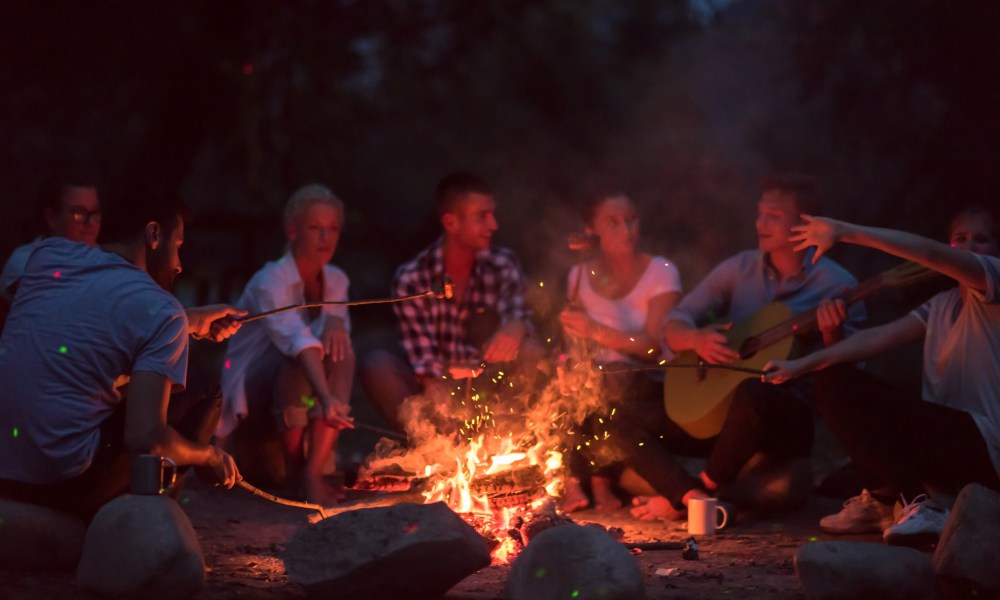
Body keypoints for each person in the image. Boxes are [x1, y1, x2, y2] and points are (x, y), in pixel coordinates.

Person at [619, 173, 864, 520]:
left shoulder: (838, 285)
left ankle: (695, 496)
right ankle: (686, 494)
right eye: (760, 213)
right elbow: (674, 321)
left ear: (806, 224)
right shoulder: (740, 268)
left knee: (757, 389)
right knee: (619, 404)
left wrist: (831, 334)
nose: (760, 223)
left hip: (782, 421)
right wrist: (695, 338)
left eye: (774, 216)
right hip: (718, 414)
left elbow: (846, 380)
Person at [0, 189, 243, 519]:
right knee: (203, 389)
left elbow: (94, 318)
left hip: (7, 470)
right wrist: (208, 455)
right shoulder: (161, 310)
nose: (179, 265)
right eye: (179, 247)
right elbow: (146, 437)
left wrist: (188, 319)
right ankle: (151, 525)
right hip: (62, 479)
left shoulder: (48, 256)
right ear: (154, 234)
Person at [764, 206, 1000, 546]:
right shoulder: (941, 304)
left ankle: (921, 506)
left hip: (985, 450)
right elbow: (877, 338)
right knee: (832, 378)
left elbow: (928, 252)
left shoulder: (994, 283)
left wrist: (844, 230)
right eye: (960, 238)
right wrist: (803, 364)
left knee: (853, 392)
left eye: (982, 239)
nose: (970, 247)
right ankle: (884, 500)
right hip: (946, 446)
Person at [360, 171, 539, 435]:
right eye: (482, 216)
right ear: (451, 223)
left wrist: (516, 325)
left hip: (490, 388)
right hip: (437, 387)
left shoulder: (502, 264)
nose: (493, 225)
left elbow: (520, 313)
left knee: (531, 349)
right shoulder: (413, 277)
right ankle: (431, 449)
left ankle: (507, 438)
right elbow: (424, 363)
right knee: (376, 365)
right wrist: (440, 403)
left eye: (492, 214)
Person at [218, 184, 355, 506]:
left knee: (342, 349)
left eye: (333, 229)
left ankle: (314, 470)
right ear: (293, 230)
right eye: (315, 228)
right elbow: (298, 342)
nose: (326, 238)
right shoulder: (271, 279)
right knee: (297, 360)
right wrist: (324, 396)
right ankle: (300, 474)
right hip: (253, 391)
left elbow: (333, 346)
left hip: (303, 385)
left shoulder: (336, 280)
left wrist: (336, 320)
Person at [558, 191, 681, 513]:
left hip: (647, 379)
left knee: (605, 379)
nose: (626, 230)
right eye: (613, 222)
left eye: (631, 220)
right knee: (568, 379)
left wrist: (595, 330)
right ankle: (583, 482)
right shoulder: (579, 275)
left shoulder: (661, 271)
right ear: (590, 231)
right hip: (597, 379)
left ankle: (594, 481)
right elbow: (574, 345)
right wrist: (566, 363)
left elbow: (653, 347)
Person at [0, 174, 101, 333]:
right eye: (79, 213)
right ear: (51, 217)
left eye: (94, 213)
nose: (90, 223)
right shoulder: (24, 261)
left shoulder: (103, 258)